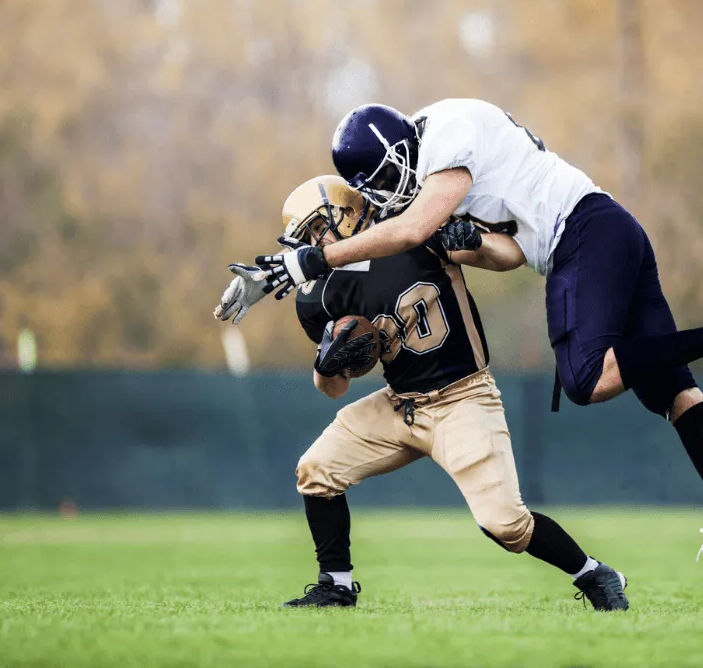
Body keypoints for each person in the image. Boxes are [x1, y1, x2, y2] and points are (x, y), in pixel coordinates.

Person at [246, 100, 703, 611]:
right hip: (584, 245)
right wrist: (328, 359)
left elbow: (420, 228)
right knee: (670, 390)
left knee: (586, 380)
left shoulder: (440, 149)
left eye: (322, 229)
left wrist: (314, 259)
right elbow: (500, 245)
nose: (391, 190)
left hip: (571, 247)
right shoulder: (414, 195)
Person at [215, 175, 629, 611]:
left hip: (463, 397)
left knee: (504, 524)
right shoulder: (317, 294)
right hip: (400, 403)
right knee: (316, 469)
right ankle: (335, 584)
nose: (314, 243)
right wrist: (326, 363)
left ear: (350, 210)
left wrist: (477, 241)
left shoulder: (412, 231)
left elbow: (510, 255)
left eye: (319, 228)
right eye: (306, 237)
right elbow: (333, 389)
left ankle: (594, 574)